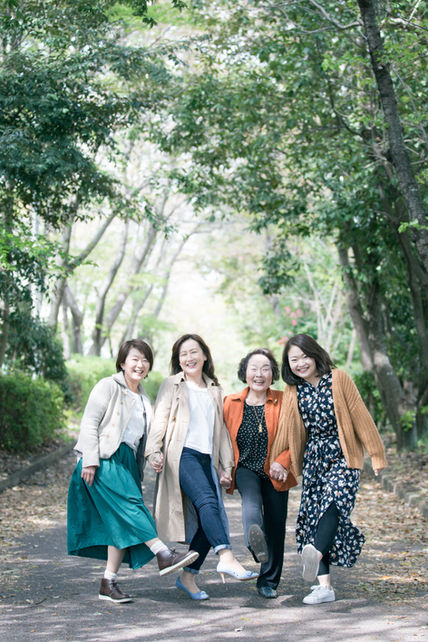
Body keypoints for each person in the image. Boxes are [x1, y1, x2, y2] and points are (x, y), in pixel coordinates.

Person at [67, 339, 198, 604]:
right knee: (132, 508)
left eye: (145, 360)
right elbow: (90, 422)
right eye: (135, 359)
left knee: (119, 523)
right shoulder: (108, 386)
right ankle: (163, 553)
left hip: (127, 462)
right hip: (105, 458)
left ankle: (108, 582)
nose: (140, 364)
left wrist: (153, 457)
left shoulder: (144, 398)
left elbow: (144, 439)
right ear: (122, 363)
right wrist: (90, 459)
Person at [271, 333, 387, 605]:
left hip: (343, 455)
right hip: (313, 459)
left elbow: (359, 415)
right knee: (312, 516)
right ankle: (324, 587)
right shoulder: (293, 390)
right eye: (294, 360)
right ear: (288, 364)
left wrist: (376, 454)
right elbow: (287, 430)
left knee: (334, 503)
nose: (300, 363)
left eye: (304, 357)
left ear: (315, 355)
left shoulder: (338, 378)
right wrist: (281, 460)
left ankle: (316, 551)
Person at [145, 333, 257, 601]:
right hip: (182, 454)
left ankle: (187, 577)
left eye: (193, 352)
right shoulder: (172, 385)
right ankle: (226, 556)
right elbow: (159, 420)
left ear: (204, 356)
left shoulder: (215, 390)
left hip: (206, 459)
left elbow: (221, 432)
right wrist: (153, 451)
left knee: (211, 516)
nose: (189, 358)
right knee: (208, 502)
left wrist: (225, 466)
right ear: (178, 360)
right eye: (183, 354)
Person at [223, 348, 297, 599]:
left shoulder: (284, 400)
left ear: (273, 374)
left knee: (276, 525)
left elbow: (297, 435)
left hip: (276, 471)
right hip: (246, 467)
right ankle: (255, 543)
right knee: (251, 503)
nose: (259, 374)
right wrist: (223, 467)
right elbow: (221, 438)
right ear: (244, 373)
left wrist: (283, 462)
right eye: (253, 368)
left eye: (265, 369)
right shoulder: (231, 403)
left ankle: (268, 582)